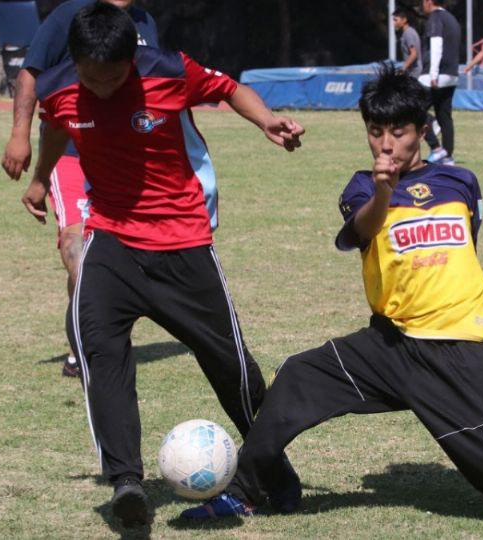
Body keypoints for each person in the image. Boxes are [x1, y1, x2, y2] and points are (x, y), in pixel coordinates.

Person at [180, 66, 483, 522]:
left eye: (398, 132)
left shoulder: (460, 181)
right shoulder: (362, 187)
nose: (385, 144)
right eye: (375, 132)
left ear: (422, 130)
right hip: (390, 344)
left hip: (461, 348)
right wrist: (384, 192)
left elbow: (465, 249)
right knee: (297, 376)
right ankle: (250, 491)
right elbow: (363, 229)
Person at [21, 3, 305, 526]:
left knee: (231, 364)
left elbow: (227, 88)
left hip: (183, 243)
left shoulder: (168, 71)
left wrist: (266, 119)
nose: (101, 88)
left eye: (112, 78)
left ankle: (269, 461)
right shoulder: (60, 87)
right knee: (96, 346)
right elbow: (57, 127)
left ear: (134, 59)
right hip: (112, 240)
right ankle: (126, 481)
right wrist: (41, 177)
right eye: (91, 78)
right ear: (76, 63)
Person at [2, 0, 159, 378]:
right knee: (79, 251)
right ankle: (87, 349)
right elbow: (30, 74)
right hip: (71, 151)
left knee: (124, 257)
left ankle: (103, 333)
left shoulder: (145, 22)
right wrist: (19, 134)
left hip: (127, 158)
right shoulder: (69, 14)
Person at [420, 0, 460, 165]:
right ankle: (448, 156)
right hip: (451, 74)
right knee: (445, 116)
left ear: (429, 1)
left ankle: (436, 148)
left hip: (436, 74)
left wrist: (433, 73)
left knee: (415, 110)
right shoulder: (451, 19)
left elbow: (437, 45)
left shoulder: (435, 18)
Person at [393, 8, 422, 80]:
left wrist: (403, 69)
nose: (394, 23)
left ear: (404, 20)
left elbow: (413, 54)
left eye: (396, 20)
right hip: (412, 73)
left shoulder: (408, 33)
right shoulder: (407, 32)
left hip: (415, 73)